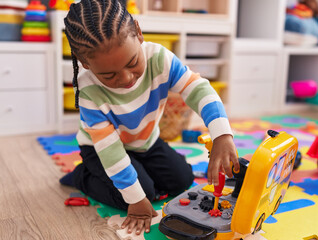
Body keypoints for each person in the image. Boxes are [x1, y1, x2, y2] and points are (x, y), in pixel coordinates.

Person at [60, 0, 239, 235]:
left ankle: (138, 173)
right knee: (137, 193)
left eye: (132, 62)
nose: (125, 78)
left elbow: (199, 89)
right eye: (108, 75)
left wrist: (222, 135)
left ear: (138, 32)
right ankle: (83, 176)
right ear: (85, 63)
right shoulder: (88, 91)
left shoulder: (160, 59)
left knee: (181, 180)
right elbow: (111, 152)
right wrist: (135, 200)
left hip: (145, 142)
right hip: (101, 150)